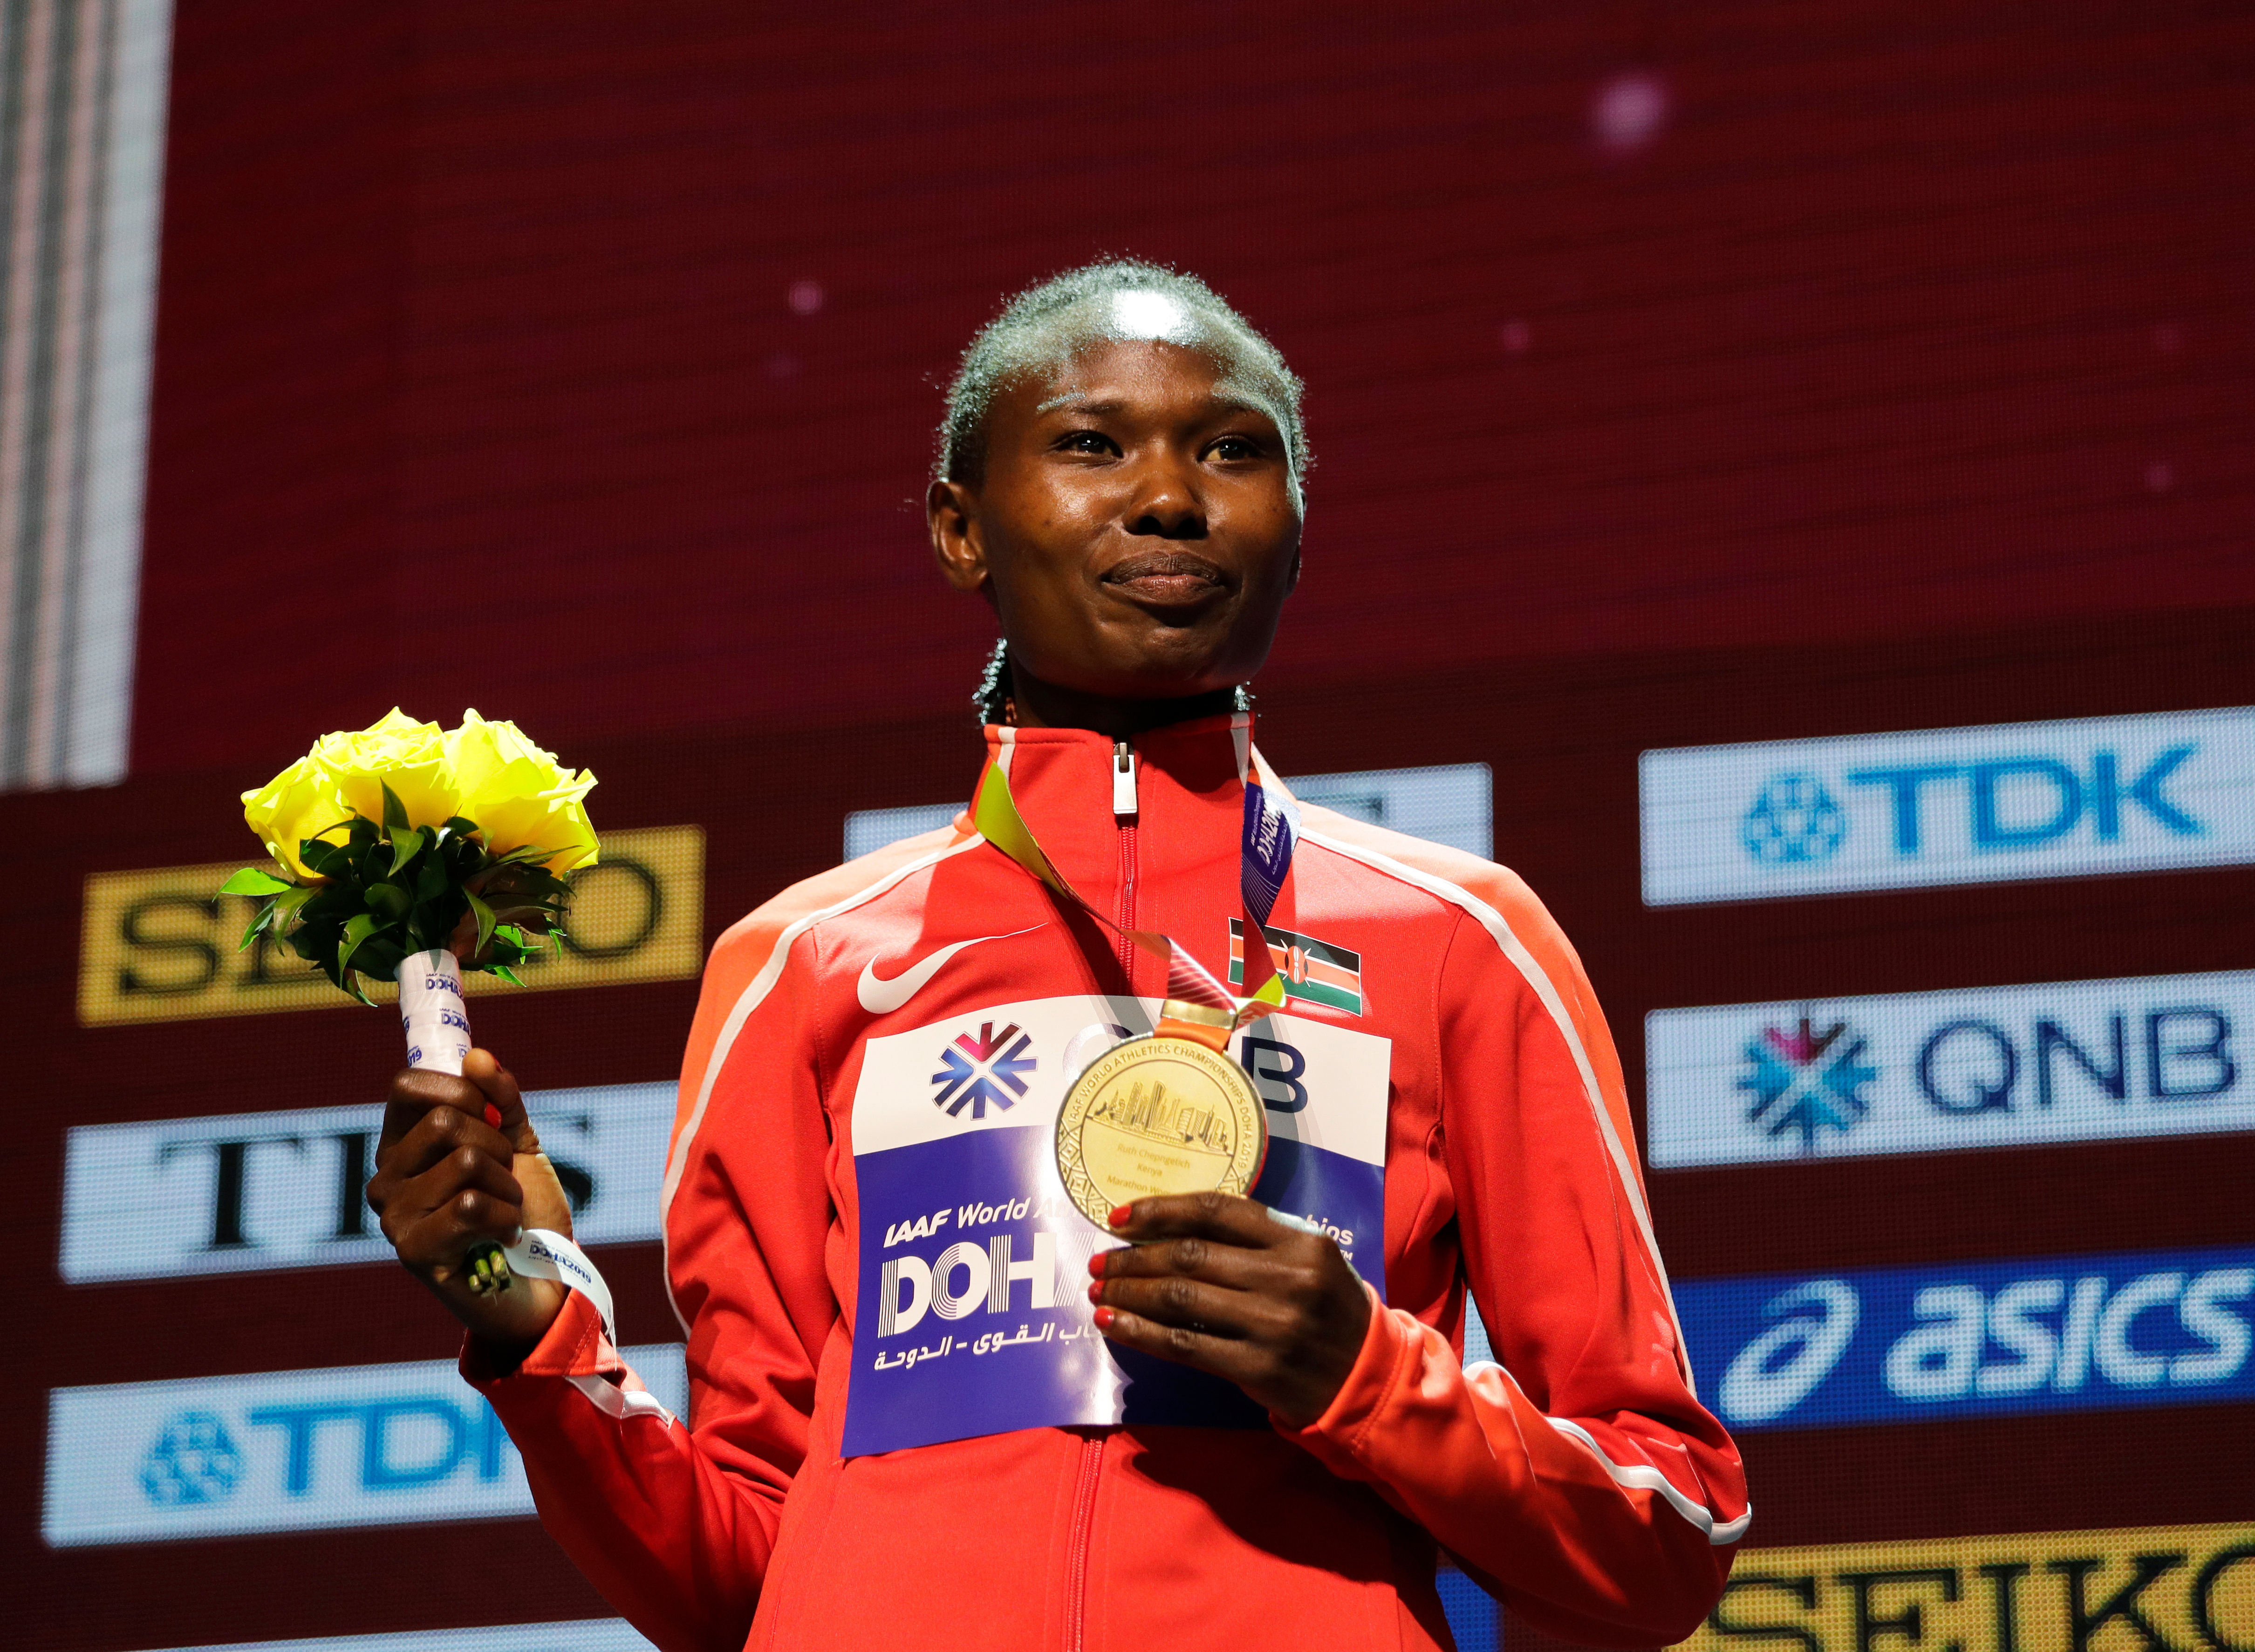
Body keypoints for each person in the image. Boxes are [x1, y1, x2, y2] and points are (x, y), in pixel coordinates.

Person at [369, 261, 1748, 1652]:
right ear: (961, 531)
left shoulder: (1460, 941)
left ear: (1295, 524)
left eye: (1230, 450)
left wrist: (1368, 1377)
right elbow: (742, 1578)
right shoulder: (800, 966)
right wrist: (525, 1317)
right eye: (1093, 443)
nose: (1168, 496)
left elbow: (1671, 1532)